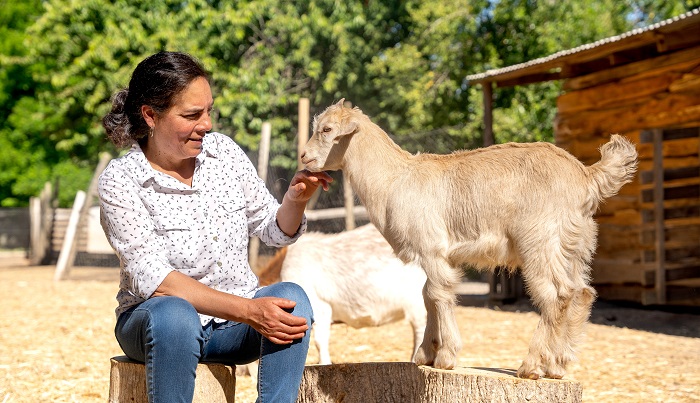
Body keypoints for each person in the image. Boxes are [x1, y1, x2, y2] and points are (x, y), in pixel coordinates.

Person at [98, 51, 332, 403]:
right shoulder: (121, 180)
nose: (206, 124)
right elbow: (155, 280)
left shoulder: (223, 152)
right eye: (192, 114)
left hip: (233, 329)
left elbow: (272, 228)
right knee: (175, 315)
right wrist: (251, 311)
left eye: (209, 110)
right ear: (150, 115)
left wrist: (296, 199)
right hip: (156, 326)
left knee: (293, 301)